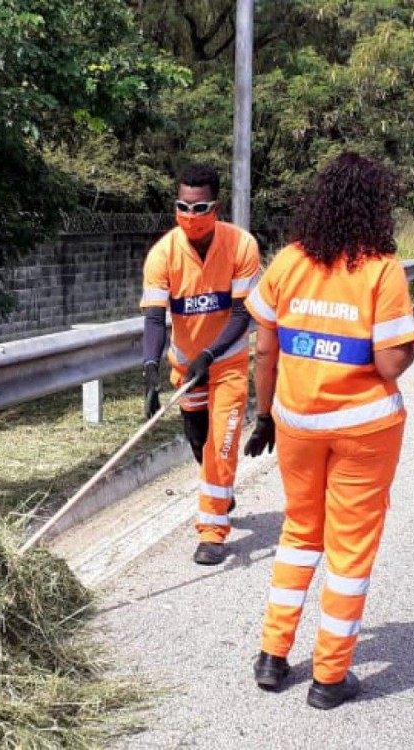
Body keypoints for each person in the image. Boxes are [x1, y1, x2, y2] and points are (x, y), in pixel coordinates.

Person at [242, 153, 414, 709]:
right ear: (376, 207)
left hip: (297, 424)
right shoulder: (383, 270)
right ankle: (330, 676)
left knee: (299, 532)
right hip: (364, 431)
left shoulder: (288, 262)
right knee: (349, 551)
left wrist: (264, 415)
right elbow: (390, 365)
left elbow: (264, 347)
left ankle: (272, 655)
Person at [140, 163, 261, 566]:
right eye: (183, 207)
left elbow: (243, 314)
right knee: (198, 440)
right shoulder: (163, 254)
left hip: (226, 364)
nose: (191, 216)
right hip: (186, 368)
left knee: (220, 445)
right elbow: (155, 318)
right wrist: (149, 372)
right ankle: (221, 488)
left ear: (216, 206)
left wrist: (211, 355)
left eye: (200, 207)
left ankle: (212, 533)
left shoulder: (242, 246)